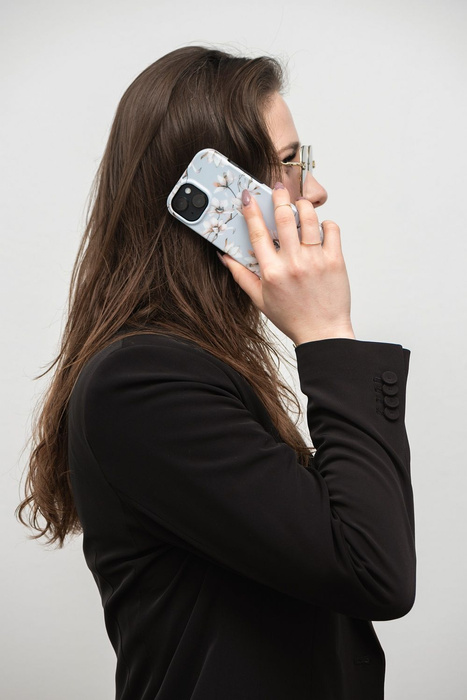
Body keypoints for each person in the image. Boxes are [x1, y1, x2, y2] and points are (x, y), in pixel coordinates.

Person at [17, 46, 416, 700]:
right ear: (213, 190)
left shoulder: (191, 364)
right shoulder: (141, 383)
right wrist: (326, 335)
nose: (314, 190)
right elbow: (373, 569)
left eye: (304, 161)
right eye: (288, 164)